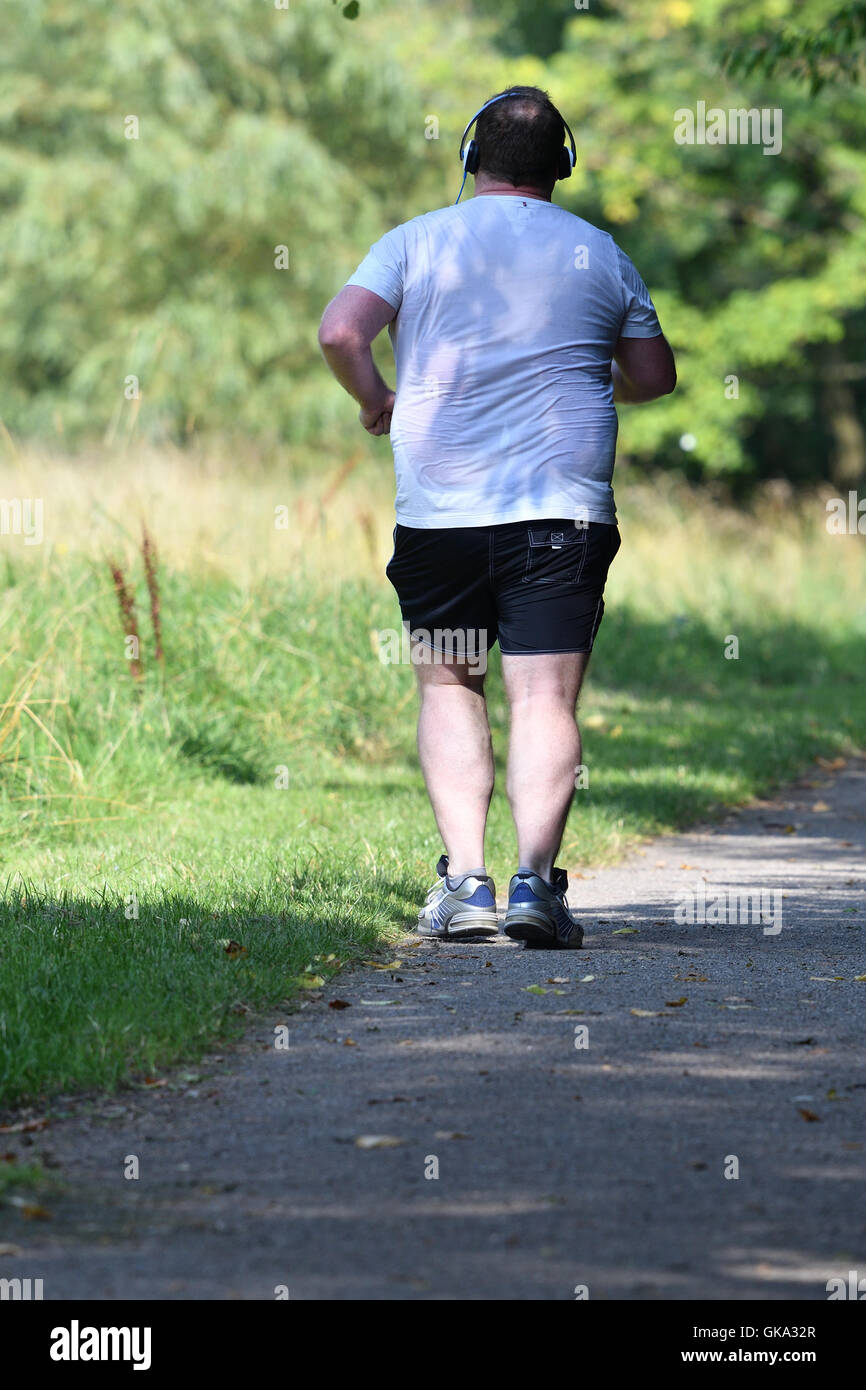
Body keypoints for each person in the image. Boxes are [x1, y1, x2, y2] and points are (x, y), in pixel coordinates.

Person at [318, 86, 676, 949]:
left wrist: (379, 402)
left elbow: (339, 332)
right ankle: (534, 886)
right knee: (545, 696)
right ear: (563, 164)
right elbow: (655, 376)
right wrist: (598, 376)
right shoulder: (600, 252)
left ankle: (465, 883)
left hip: (441, 513)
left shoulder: (417, 240)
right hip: (562, 513)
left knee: (450, 682)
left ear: (472, 156)